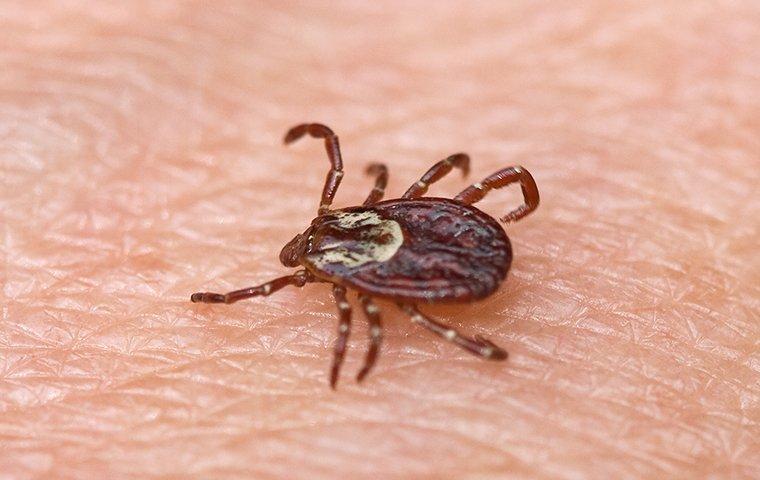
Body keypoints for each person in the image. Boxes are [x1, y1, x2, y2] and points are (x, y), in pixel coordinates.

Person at [3, 1, 757, 478]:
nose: (309, 242)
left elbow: (348, 312)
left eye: (317, 235)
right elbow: (463, 173)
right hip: (458, 244)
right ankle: (480, 335)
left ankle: (476, 342)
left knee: (400, 306)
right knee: (453, 208)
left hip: (448, 260)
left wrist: (231, 298)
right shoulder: (363, 216)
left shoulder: (343, 277)